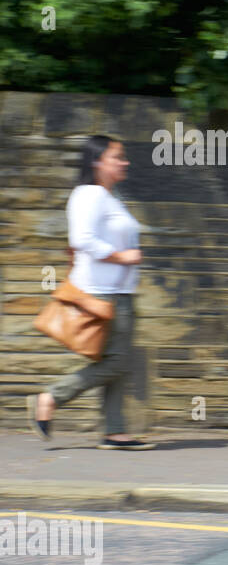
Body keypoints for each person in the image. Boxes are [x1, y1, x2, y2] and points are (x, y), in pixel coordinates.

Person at [27, 135, 154, 450]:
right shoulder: (90, 195)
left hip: (117, 292)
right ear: (96, 161)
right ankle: (50, 396)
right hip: (103, 294)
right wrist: (121, 256)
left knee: (117, 362)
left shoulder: (109, 196)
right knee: (118, 363)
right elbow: (81, 239)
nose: (124, 162)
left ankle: (115, 432)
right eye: (117, 156)